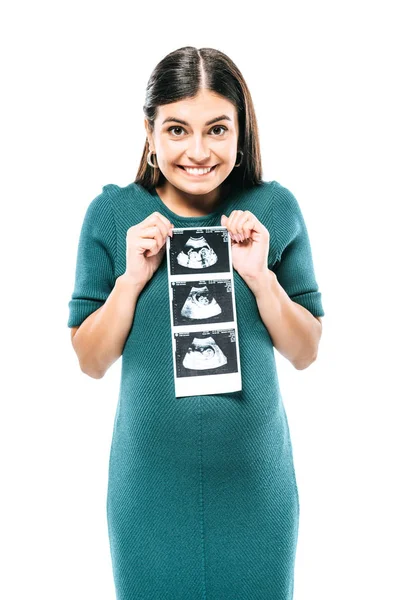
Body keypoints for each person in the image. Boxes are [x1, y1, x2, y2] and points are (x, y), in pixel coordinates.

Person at [67, 46, 324, 600]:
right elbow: (89, 360)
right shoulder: (113, 215)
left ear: (241, 130)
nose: (199, 151)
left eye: (217, 129)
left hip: (256, 490)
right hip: (149, 492)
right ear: (150, 131)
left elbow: (306, 351)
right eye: (178, 129)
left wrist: (261, 278)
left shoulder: (273, 210)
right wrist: (131, 280)